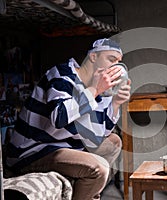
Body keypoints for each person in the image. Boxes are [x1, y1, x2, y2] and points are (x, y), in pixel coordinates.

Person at [5, 38, 131, 200]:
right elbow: (59, 117)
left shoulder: (101, 87)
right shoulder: (61, 75)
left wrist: (115, 103)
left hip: (65, 147)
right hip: (34, 151)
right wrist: (95, 90)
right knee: (99, 168)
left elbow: (98, 134)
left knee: (113, 141)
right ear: (93, 57)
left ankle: (88, 191)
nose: (115, 67)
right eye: (111, 60)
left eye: (118, 62)